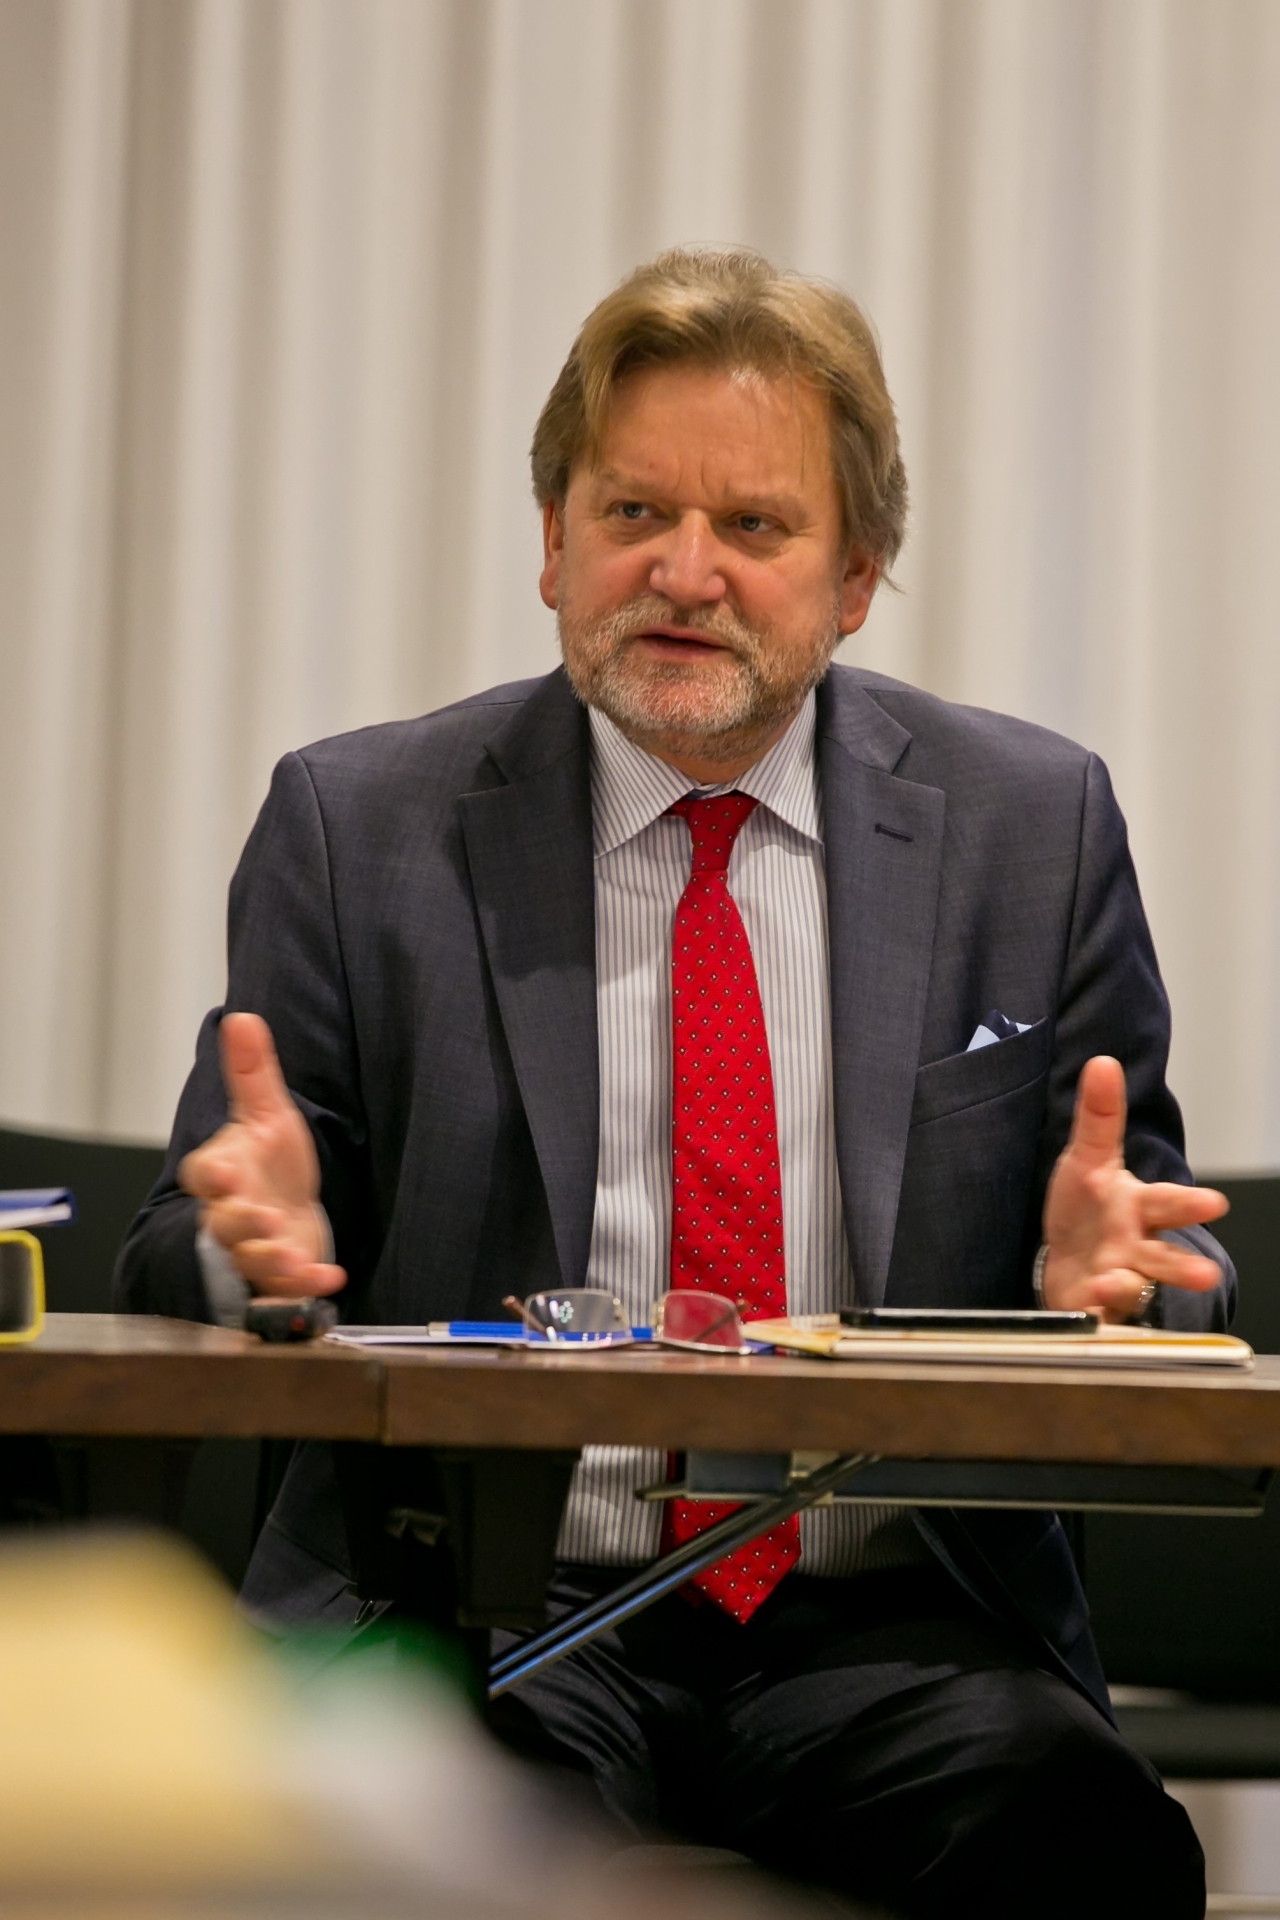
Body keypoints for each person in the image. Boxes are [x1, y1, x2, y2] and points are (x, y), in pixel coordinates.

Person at [117, 247, 1231, 1918]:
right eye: (633, 512)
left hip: (894, 1626)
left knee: (1076, 1839)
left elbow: (1165, 1246)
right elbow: (180, 1253)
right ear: (553, 543)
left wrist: (1125, 1290)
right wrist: (241, 1255)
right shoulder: (360, 829)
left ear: (857, 577)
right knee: (381, 1857)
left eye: (756, 526)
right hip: (490, 1611)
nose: (684, 573)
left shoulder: (1031, 827)